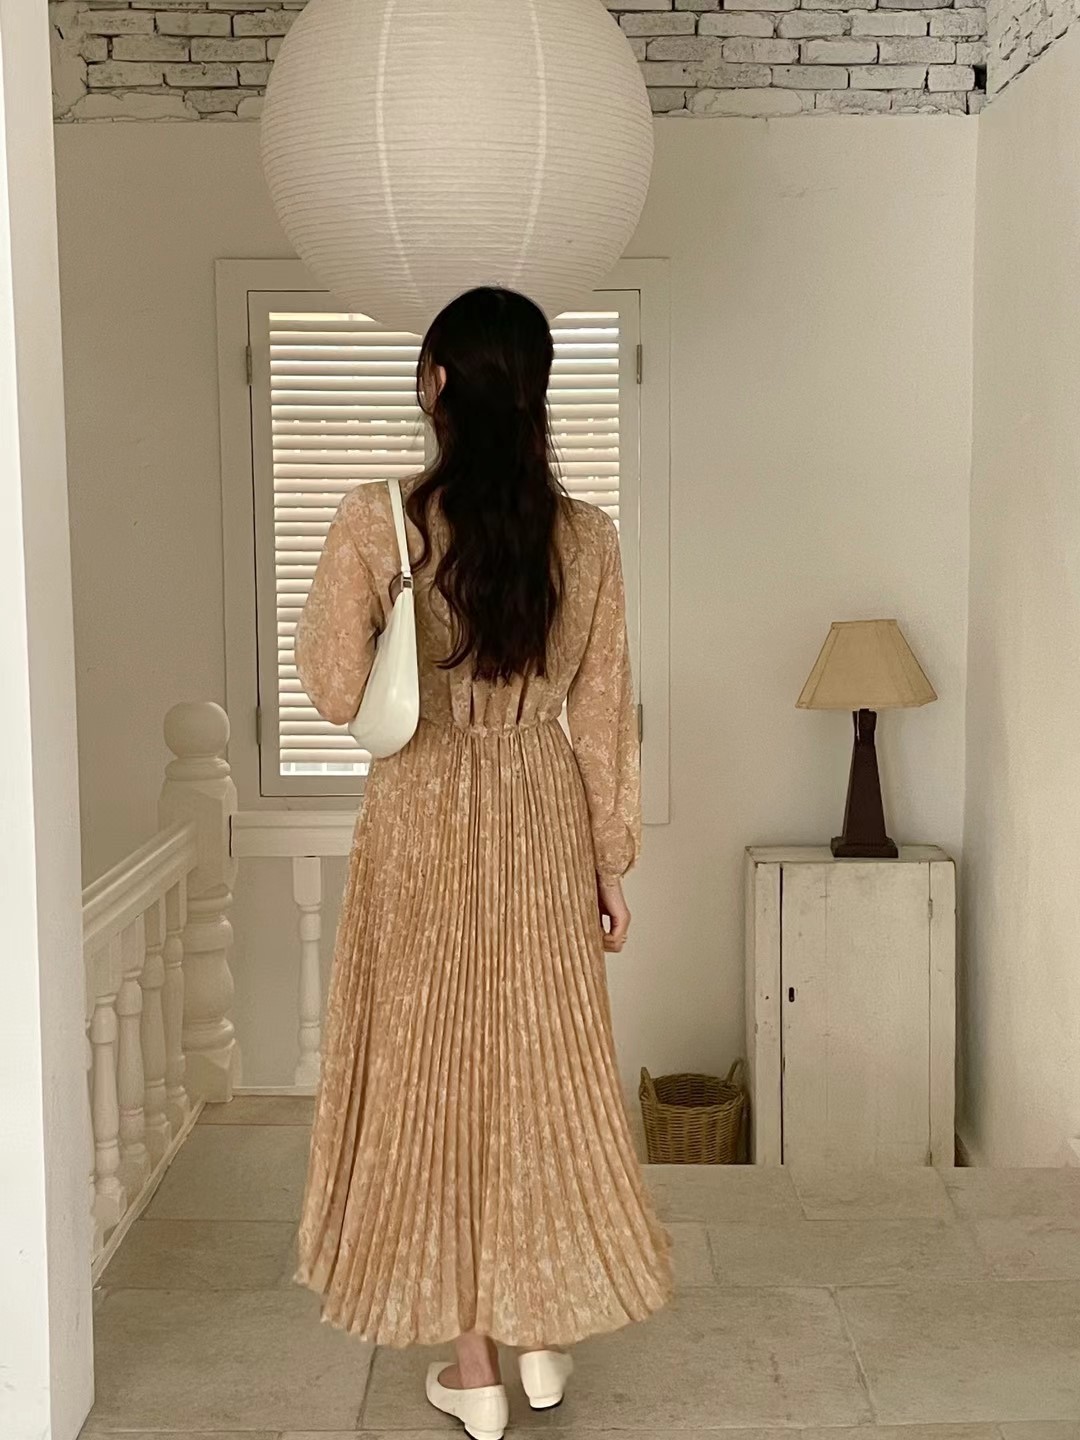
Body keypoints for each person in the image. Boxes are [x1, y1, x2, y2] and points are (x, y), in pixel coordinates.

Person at [294, 286, 671, 1439]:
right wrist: (609, 865)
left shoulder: (380, 522)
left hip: (419, 816)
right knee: (539, 1067)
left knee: (438, 1074)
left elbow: (332, 686)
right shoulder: (589, 538)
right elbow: (603, 718)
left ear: (436, 385)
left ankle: (477, 1371)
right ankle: (541, 1333)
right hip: (542, 812)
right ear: (538, 392)